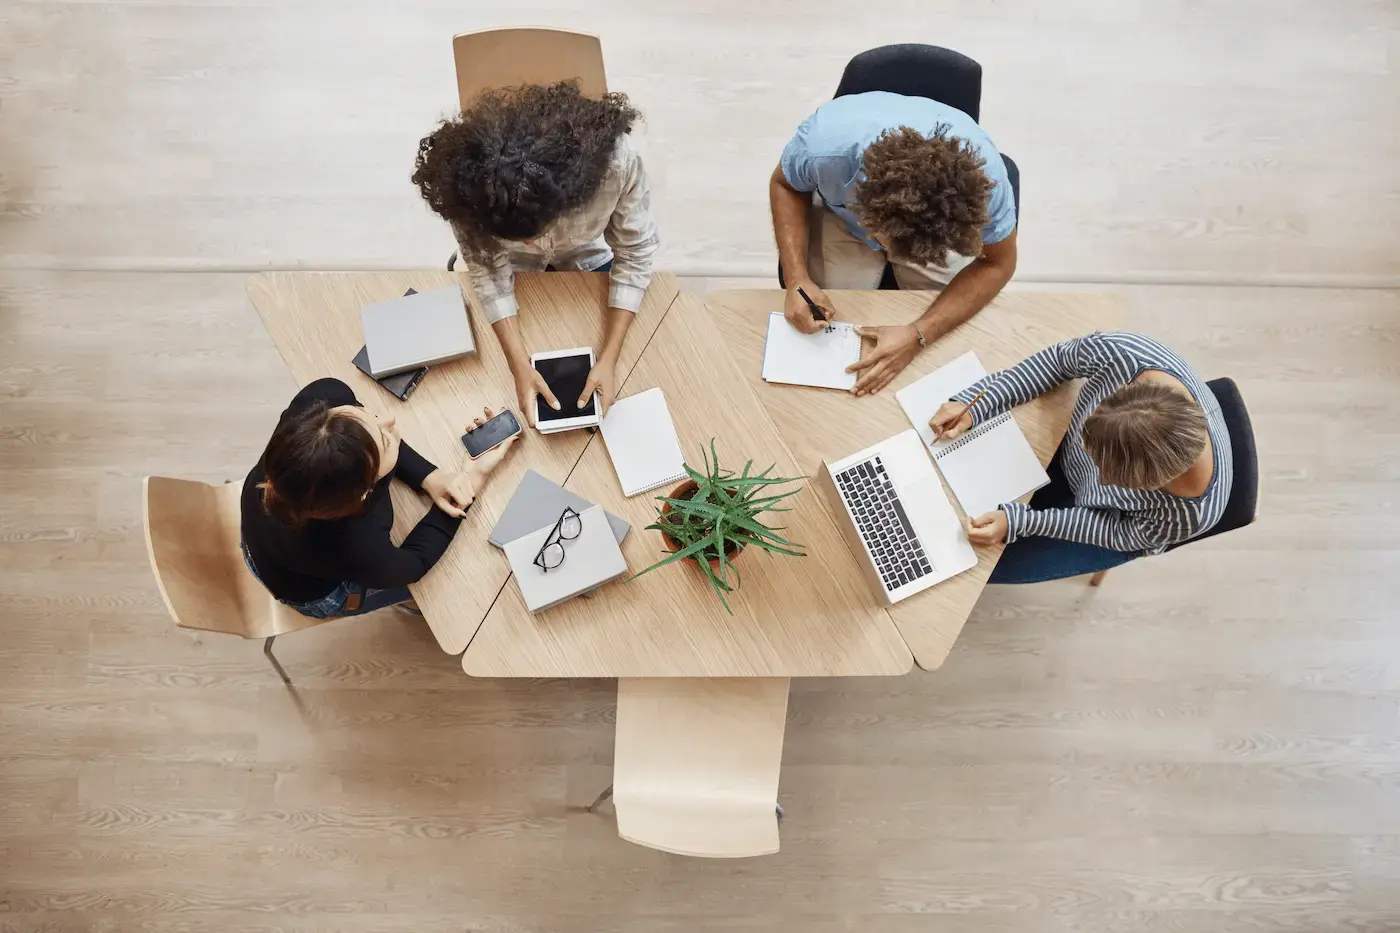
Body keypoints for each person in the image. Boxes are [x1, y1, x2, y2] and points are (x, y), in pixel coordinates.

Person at [412, 80, 659, 421]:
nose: (528, 244)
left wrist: (610, 357)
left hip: (583, 260)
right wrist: (518, 367)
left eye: (535, 232)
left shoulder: (617, 166)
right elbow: (487, 269)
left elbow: (635, 254)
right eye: (512, 237)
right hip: (513, 271)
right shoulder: (471, 188)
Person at [928, 332, 1233, 584]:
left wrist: (1022, 521)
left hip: (1109, 525)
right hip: (1056, 452)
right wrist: (978, 402)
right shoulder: (1127, 354)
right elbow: (1060, 361)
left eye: (1107, 472)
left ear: (1154, 484)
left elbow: (1119, 531)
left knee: (972, 570)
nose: (1097, 472)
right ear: (1121, 394)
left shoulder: (1192, 515)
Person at [769, 91, 1018, 397]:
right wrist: (797, 279)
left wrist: (919, 335)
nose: (884, 251)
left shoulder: (987, 189)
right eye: (881, 237)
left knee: (947, 337)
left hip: (925, 230)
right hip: (843, 216)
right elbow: (785, 184)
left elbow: (999, 263)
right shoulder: (825, 149)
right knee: (831, 315)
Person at [240, 378, 516, 618]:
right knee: (434, 594)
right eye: (385, 441)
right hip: (311, 592)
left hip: (261, 544)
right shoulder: (357, 547)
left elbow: (359, 444)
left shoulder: (321, 398)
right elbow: (415, 564)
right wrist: (471, 482)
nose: (388, 420)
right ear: (363, 493)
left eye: (364, 416)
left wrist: (429, 477)